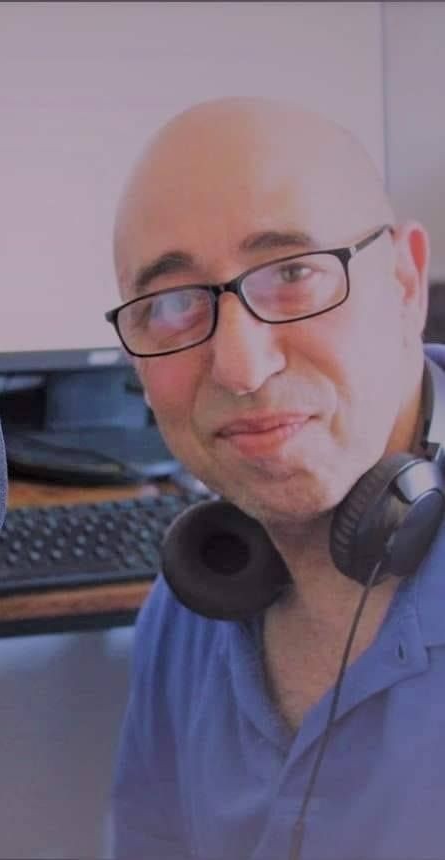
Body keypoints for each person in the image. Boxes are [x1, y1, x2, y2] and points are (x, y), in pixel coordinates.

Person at [106, 96, 445, 860]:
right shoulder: (185, 612)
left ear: (404, 283)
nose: (242, 365)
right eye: (171, 304)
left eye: (292, 272)